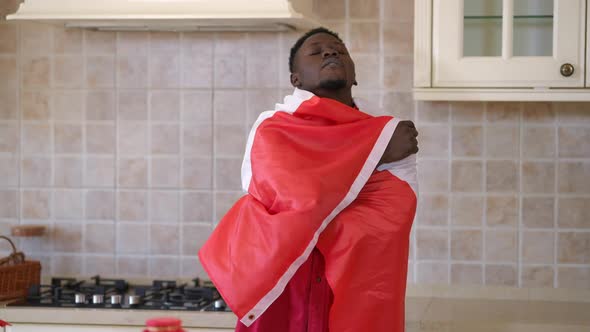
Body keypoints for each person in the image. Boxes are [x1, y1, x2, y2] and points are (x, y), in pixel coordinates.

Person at [199, 27, 419, 332]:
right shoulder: (273, 126)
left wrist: (356, 157)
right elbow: (292, 195)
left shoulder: (386, 130)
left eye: (339, 50)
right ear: (295, 79)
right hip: (284, 291)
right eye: (316, 51)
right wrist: (374, 155)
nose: (330, 53)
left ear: (354, 74)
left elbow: (392, 211)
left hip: (350, 291)